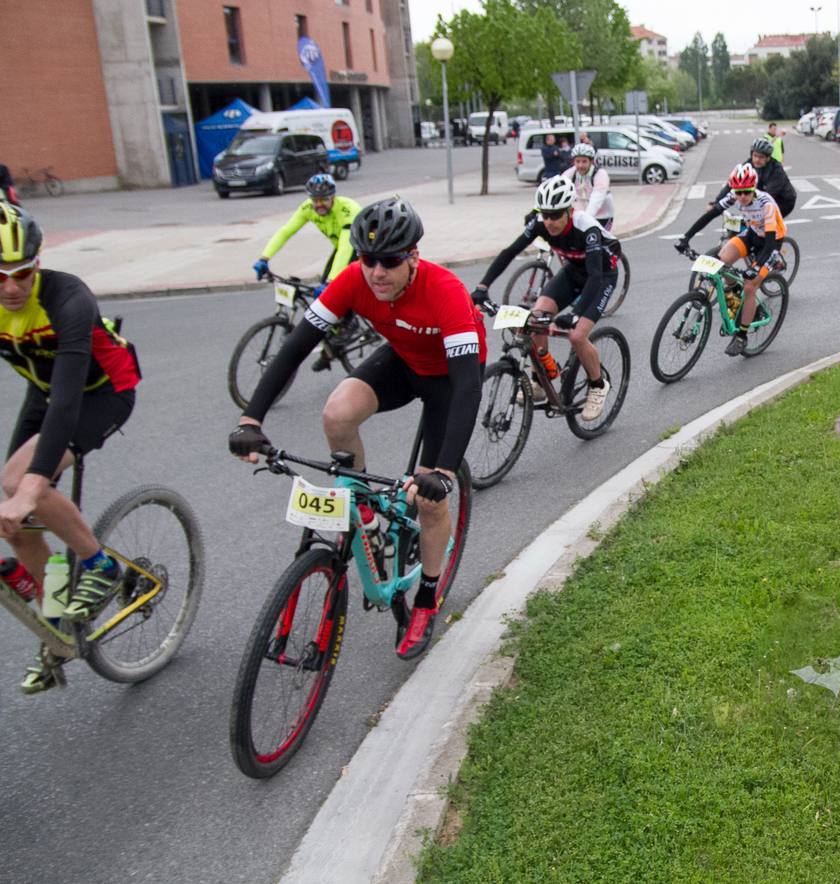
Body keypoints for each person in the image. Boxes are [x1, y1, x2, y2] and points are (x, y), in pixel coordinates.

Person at [228, 198, 485, 661]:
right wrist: (251, 419)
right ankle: (363, 510)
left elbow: (468, 388)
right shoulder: (354, 280)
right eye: (367, 259)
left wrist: (444, 471)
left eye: (389, 260)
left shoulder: (445, 292)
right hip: (405, 363)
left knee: (428, 501)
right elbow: (294, 349)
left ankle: (426, 598)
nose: (376, 272)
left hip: (449, 380)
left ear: (413, 257)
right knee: (337, 413)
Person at [0, 203, 142, 694]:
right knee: (15, 522)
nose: (12, 287)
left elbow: (66, 402)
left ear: (37, 264)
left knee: (23, 485)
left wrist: (31, 487)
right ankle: (57, 620)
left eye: (22, 273)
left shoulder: (68, 298)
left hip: (103, 391)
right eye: (0, 277)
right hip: (43, 390)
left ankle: (101, 564)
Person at [476, 177, 620, 416]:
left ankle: (598, 384)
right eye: (546, 215)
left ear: (570, 211)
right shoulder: (540, 224)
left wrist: (574, 314)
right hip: (573, 272)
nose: (550, 221)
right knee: (534, 322)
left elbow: (595, 277)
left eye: (556, 215)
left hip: (602, 275)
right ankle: (540, 380)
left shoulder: (587, 228)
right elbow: (509, 252)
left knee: (576, 335)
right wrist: (483, 286)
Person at [253, 173, 364, 372]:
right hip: (340, 247)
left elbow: (347, 250)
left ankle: (350, 324)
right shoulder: (308, 208)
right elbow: (286, 231)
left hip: (359, 247)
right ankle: (331, 349)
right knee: (324, 296)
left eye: (324, 200)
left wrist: (331, 281)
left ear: (333, 197)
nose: (319, 204)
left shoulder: (347, 210)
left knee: (337, 287)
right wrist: (264, 258)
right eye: (315, 200)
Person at [675, 163, 786, 357]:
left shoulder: (765, 204)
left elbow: (768, 243)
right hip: (752, 233)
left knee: (750, 286)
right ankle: (739, 299)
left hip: (771, 241)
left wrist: (756, 267)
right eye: (738, 192)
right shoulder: (734, 195)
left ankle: (742, 336)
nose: (741, 197)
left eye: (746, 192)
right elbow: (710, 215)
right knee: (720, 263)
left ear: (754, 189)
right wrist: (686, 237)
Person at [713, 138, 796, 218]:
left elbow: (769, 194)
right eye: (755, 156)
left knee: (761, 225)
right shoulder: (748, 165)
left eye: (761, 157)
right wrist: (716, 203)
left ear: (768, 158)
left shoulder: (776, 170)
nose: (757, 160)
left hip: (783, 201)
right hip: (763, 193)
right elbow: (732, 184)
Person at [564, 144, 614, 230]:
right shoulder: (572, 173)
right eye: (577, 161)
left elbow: (596, 199)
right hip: (582, 213)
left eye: (584, 161)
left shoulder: (600, 174)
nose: (580, 165)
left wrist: (585, 219)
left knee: (598, 240)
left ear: (591, 162)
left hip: (603, 215)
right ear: (573, 162)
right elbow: (559, 186)